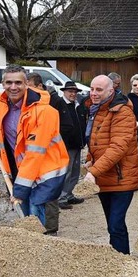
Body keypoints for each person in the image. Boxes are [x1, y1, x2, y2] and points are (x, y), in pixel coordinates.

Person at [0, 65, 69, 226]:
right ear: (2, 84)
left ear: (27, 84)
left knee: (37, 219)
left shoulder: (44, 111)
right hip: (20, 169)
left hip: (44, 171)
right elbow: (2, 132)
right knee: (25, 219)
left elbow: (35, 153)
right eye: (9, 82)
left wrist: (19, 190)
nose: (13, 87)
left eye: (18, 83)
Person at [83, 75, 138, 254]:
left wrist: (93, 171)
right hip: (104, 177)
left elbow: (118, 147)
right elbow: (95, 141)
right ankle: (117, 258)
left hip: (121, 178)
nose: (94, 93)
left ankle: (122, 261)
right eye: (92, 89)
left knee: (116, 225)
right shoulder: (96, 110)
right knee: (112, 225)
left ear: (111, 91)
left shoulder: (122, 112)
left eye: (99, 90)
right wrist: (89, 160)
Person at [58, 81, 87, 209]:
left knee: (75, 172)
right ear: (64, 91)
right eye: (70, 91)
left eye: (75, 92)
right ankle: (61, 198)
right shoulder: (59, 105)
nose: (73, 94)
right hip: (66, 146)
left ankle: (69, 195)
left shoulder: (78, 106)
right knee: (67, 172)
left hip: (77, 144)